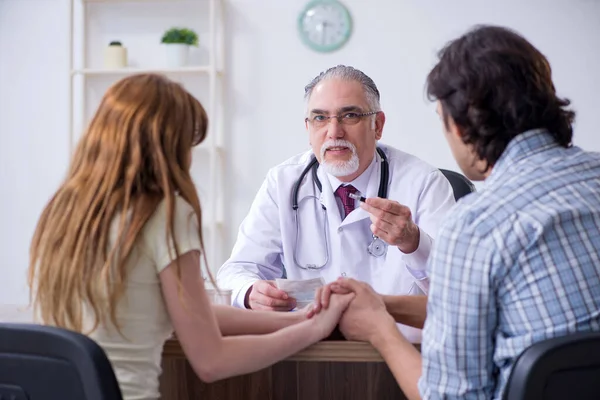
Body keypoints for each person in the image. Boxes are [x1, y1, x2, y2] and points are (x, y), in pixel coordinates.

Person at [313, 24, 600, 399]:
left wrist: (379, 330)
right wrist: (379, 304)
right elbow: (475, 311)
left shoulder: (478, 225)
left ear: (462, 124)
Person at [27, 73, 353, 400]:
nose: (188, 158)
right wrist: (313, 330)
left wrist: (304, 319)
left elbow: (193, 315)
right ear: (163, 146)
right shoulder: (163, 214)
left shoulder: (62, 211)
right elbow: (211, 361)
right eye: (185, 144)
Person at [216, 65, 456, 342]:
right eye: (320, 118)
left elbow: (456, 291)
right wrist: (249, 292)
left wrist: (413, 243)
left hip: (401, 351)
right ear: (308, 128)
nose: (334, 132)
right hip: (311, 353)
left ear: (377, 125)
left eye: (350, 115)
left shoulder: (423, 182)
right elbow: (236, 270)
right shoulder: (283, 183)